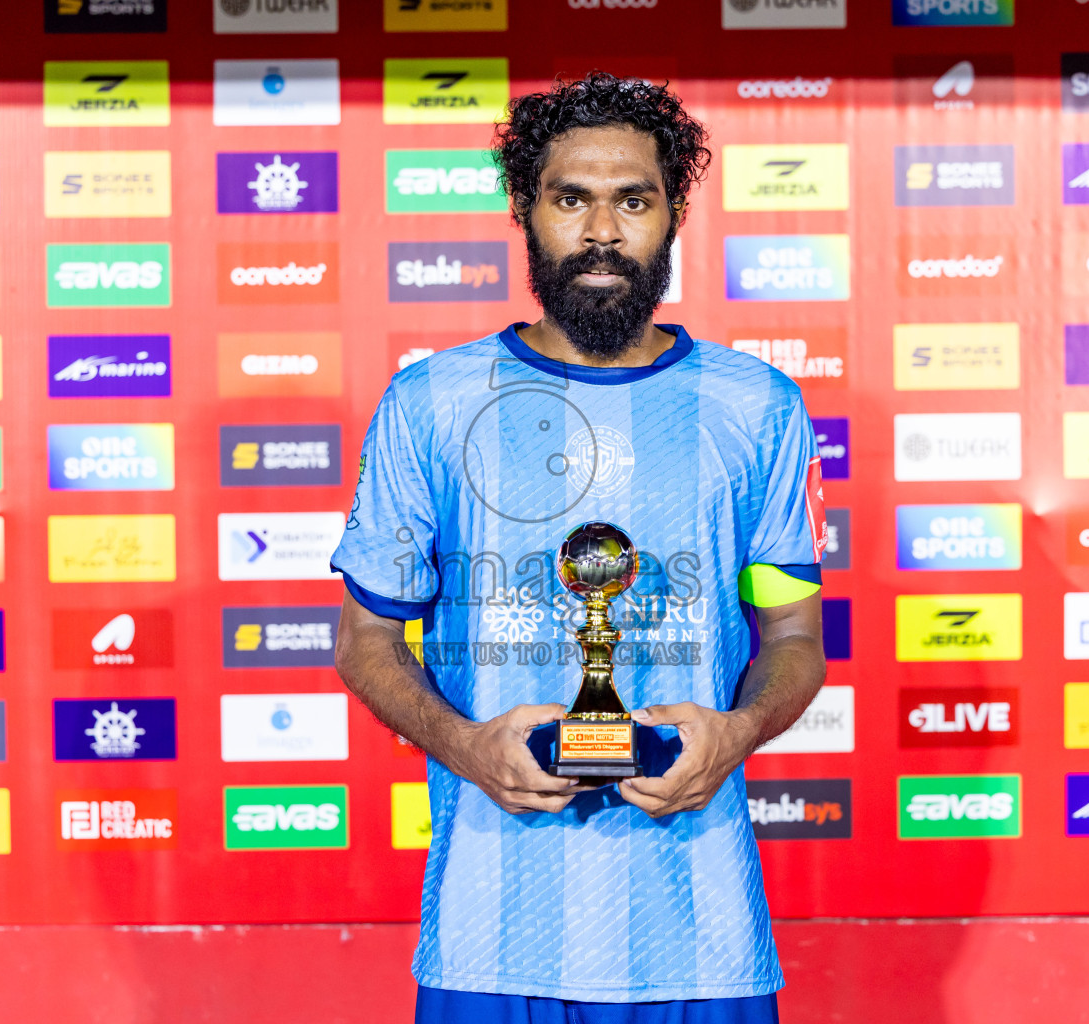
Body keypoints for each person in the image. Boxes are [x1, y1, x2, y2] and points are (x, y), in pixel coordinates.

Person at [332, 72, 829, 1023]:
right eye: (571, 200)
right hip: (488, 934)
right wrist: (468, 747)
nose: (602, 231)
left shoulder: (758, 407)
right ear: (525, 210)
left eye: (633, 200)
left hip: (702, 934)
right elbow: (365, 641)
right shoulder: (430, 402)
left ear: (674, 214)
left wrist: (734, 733)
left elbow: (796, 639)